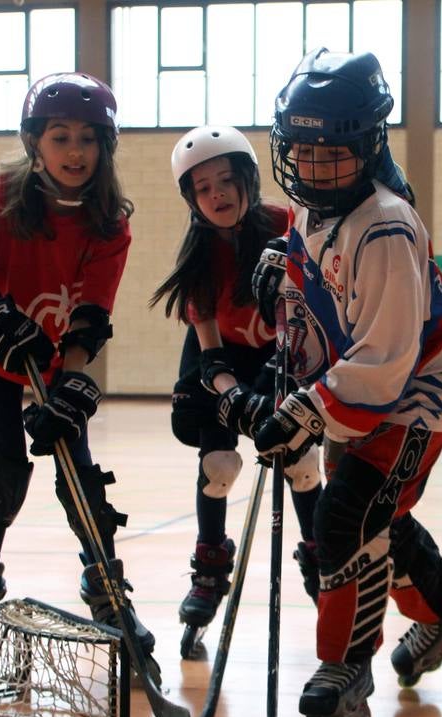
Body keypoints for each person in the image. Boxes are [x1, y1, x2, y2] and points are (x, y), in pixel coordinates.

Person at [252, 49, 442, 717]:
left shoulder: (383, 224)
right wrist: (284, 284)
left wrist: (305, 412)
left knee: (347, 517)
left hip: (416, 392)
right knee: (379, 514)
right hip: (361, 384)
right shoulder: (310, 210)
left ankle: (346, 670)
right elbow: (315, 301)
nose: (314, 167)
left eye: (333, 153)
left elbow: (384, 362)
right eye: (303, 151)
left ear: (366, 146)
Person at [0, 72, 153, 685]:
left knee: (78, 473)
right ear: (35, 142)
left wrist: (74, 385)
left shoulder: (109, 222)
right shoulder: (3, 193)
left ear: (104, 148)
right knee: (8, 468)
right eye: (61, 137)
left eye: (88, 139)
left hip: (60, 354)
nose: (75, 151)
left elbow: (91, 316)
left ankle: (107, 591)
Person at [149, 125, 324, 658]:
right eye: (203, 188)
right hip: (221, 356)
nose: (217, 195)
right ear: (191, 199)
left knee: (302, 462)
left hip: (282, 350)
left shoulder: (286, 225)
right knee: (219, 466)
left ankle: (322, 562)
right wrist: (232, 395)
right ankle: (209, 567)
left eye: (226, 181)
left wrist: (279, 378)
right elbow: (210, 354)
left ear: (249, 179)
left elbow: (309, 313)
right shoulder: (199, 253)